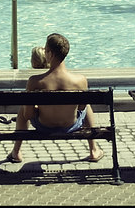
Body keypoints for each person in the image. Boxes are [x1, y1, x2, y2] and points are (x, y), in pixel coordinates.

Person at [7, 33, 103, 164]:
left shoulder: (35, 82)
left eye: (46, 50)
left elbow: (28, 115)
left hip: (44, 126)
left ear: (50, 54)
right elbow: (81, 107)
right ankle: (93, 149)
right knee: (87, 106)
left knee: (23, 108)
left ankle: (16, 152)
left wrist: (37, 108)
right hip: (71, 125)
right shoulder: (80, 80)